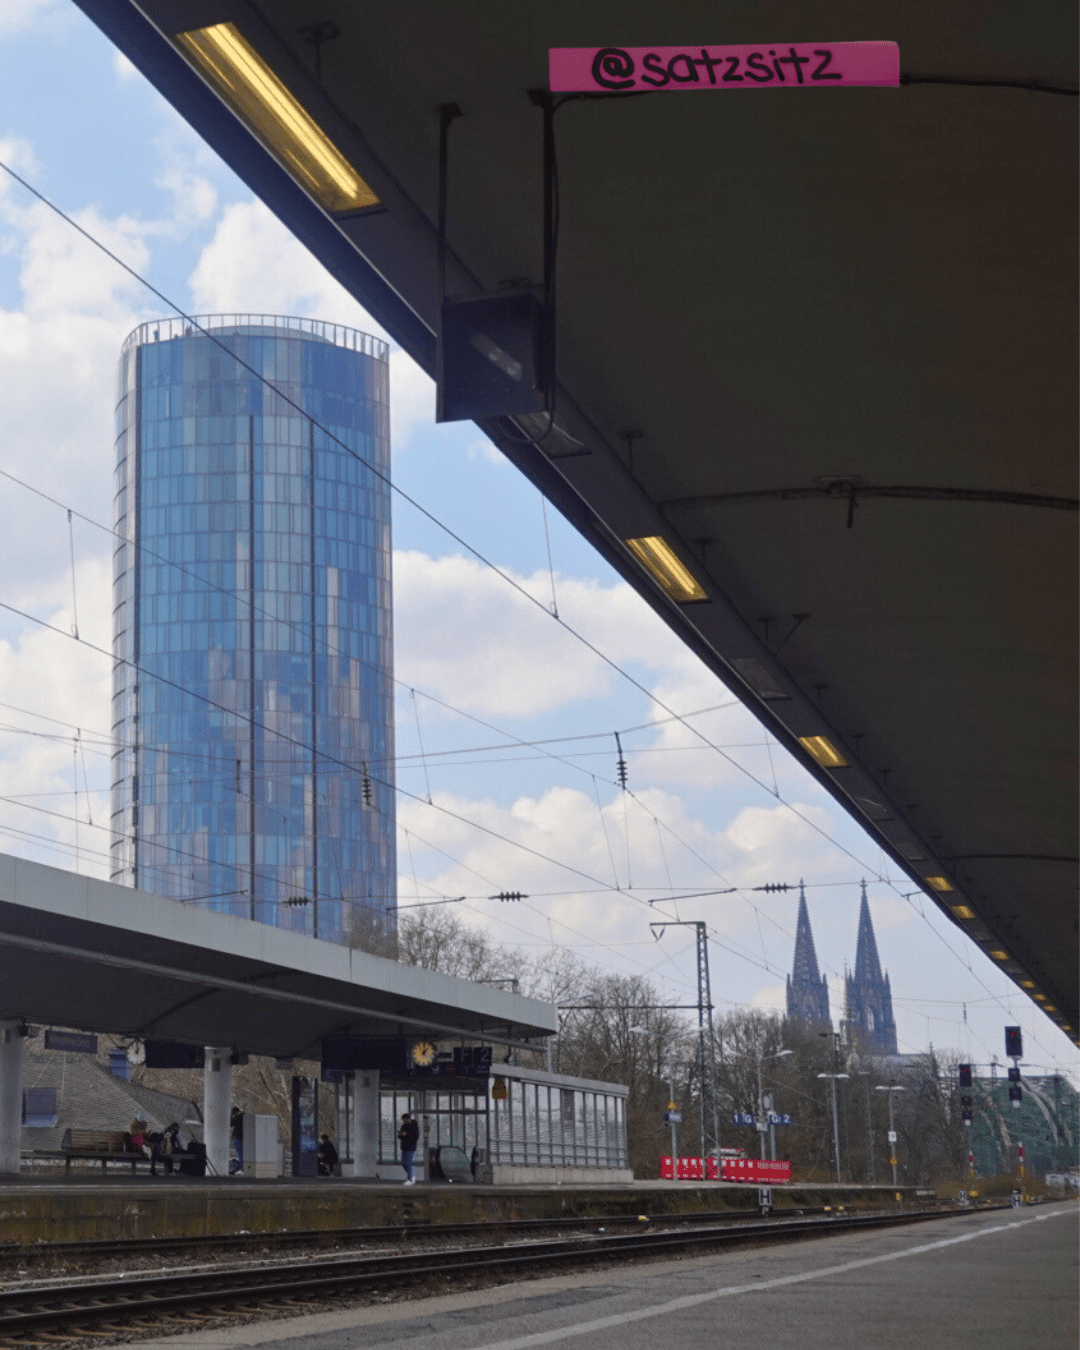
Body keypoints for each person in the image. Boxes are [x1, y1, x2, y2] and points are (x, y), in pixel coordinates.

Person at [397, 1112, 419, 1185]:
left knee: (408, 1163)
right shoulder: (404, 1126)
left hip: (411, 1147)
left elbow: (416, 1137)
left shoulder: (414, 1126)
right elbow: (400, 1136)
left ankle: (410, 1178)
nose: (404, 1121)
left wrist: (407, 1135)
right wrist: (400, 1135)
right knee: (404, 1163)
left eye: (404, 1120)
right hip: (404, 1147)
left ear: (407, 1119)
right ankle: (412, 1176)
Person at [230, 1106, 244, 1173]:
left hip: (238, 1138)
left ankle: (241, 1168)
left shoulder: (237, 1117)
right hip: (243, 1138)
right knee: (241, 1155)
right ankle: (240, 1168)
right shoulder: (243, 1116)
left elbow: (230, 1124)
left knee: (240, 1155)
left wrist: (231, 1116)